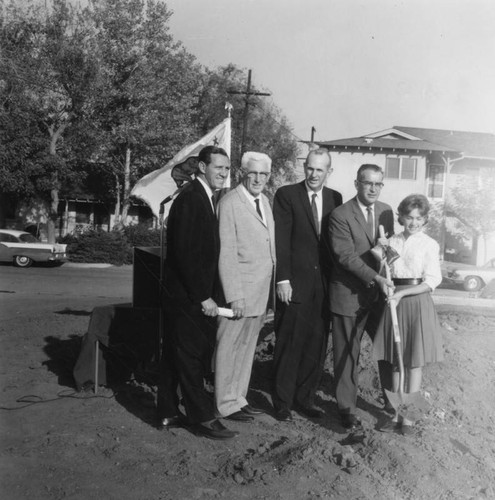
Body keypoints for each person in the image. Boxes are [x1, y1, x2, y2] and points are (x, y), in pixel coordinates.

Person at [156, 145, 237, 440]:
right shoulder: (192, 198)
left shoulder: (206, 198)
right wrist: (203, 296)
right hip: (187, 296)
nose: (224, 174)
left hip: (188, 293)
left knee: (175, 355)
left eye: (227, 169)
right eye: (219, 168)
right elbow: (185, 253)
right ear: (202, 167)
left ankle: (167, 411)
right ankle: (202, 417)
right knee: (191, 356)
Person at [272, 148, 343, 422]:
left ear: (329, 172)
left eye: (320, 169)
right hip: (293, 285)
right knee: (289, 344)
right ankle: (282, 402)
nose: (314, 174)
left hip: (323, 288)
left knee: (315, 346)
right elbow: (281, 240)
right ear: (304, 167)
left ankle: (305, 399)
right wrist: (283, 279)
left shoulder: (335, 198)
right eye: (310, 168)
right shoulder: (286, 195)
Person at [328, 163, 394, 430]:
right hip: (349, 294)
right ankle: (346, 408)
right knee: (347, 354)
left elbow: (389, 250)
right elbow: (345, 256)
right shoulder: (340, 215)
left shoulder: (386, 212)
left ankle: (392, 402)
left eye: (378, 184)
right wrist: (376, 278)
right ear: (357, 184)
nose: (373, 189)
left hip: (379, 298)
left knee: (387, 349)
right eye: (368, 183)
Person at [373, 194, 443, 435]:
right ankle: (394, 414)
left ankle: (409, 418)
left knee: (413, 362)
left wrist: (403, 294)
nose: (414, 222)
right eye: (409, 217)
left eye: (419, 218)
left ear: (425, 220)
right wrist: (385, 282)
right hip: (394, 301)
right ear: (401, 217)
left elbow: (432, 280)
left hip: (416, 301)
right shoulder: (391, 242)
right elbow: (383, 269)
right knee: (394, 361)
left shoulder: (429, 244)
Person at [214, 152, 276, 423]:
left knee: (247, 348)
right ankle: (223, 403)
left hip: (260, 292)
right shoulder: (230, 202)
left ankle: (238, 398)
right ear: (242, 173)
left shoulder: (264, 201)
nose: (258, 179)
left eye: (264, 174)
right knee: (229, 347)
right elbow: (226, 252)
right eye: (253, 173)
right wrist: (234, 295)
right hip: (239, 293)